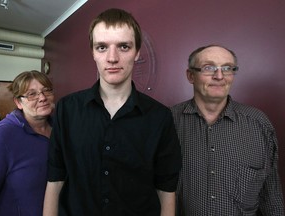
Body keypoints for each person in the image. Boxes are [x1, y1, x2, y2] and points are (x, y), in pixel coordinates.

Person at [43, 8, 181, 216]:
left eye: (124, 46)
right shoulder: (67, 109)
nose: (112, 57)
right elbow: (55, 178)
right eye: (102, 47)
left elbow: (166, 189)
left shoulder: (160, 117)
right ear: (93, 53)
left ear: (136, 53)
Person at [171, 44, 285, 215]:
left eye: (227, 68)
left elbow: (271, 195)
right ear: (191, 76)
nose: (219, 76)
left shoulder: (258, 124)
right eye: (208, 68)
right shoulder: (167, 122)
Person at [0, 70, 55, 216]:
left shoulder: (60, 129)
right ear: (18, 102)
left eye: (46, 91)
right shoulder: (3, 134)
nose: (42, 98)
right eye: (31, 94)